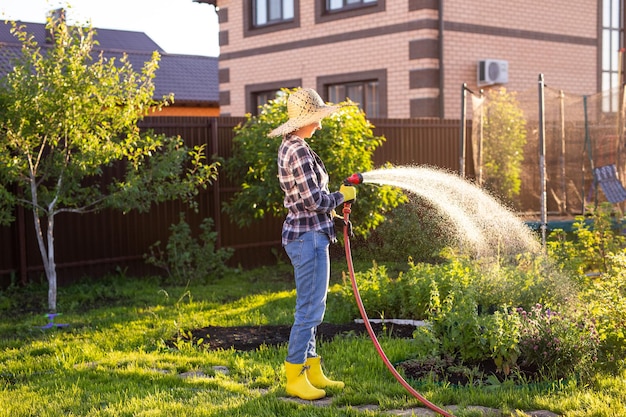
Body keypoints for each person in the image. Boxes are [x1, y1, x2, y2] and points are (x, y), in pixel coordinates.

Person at [268, 88, 356, 400]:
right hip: (308, 237)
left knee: (313, 307)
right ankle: (294, 374)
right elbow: (312, 199)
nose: (319, 125)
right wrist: (341, 197)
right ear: (304, 120)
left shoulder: (291, 146)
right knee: (309, 310)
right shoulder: (299, 151)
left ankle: (312, 369)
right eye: (316, 119)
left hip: (308, 235)